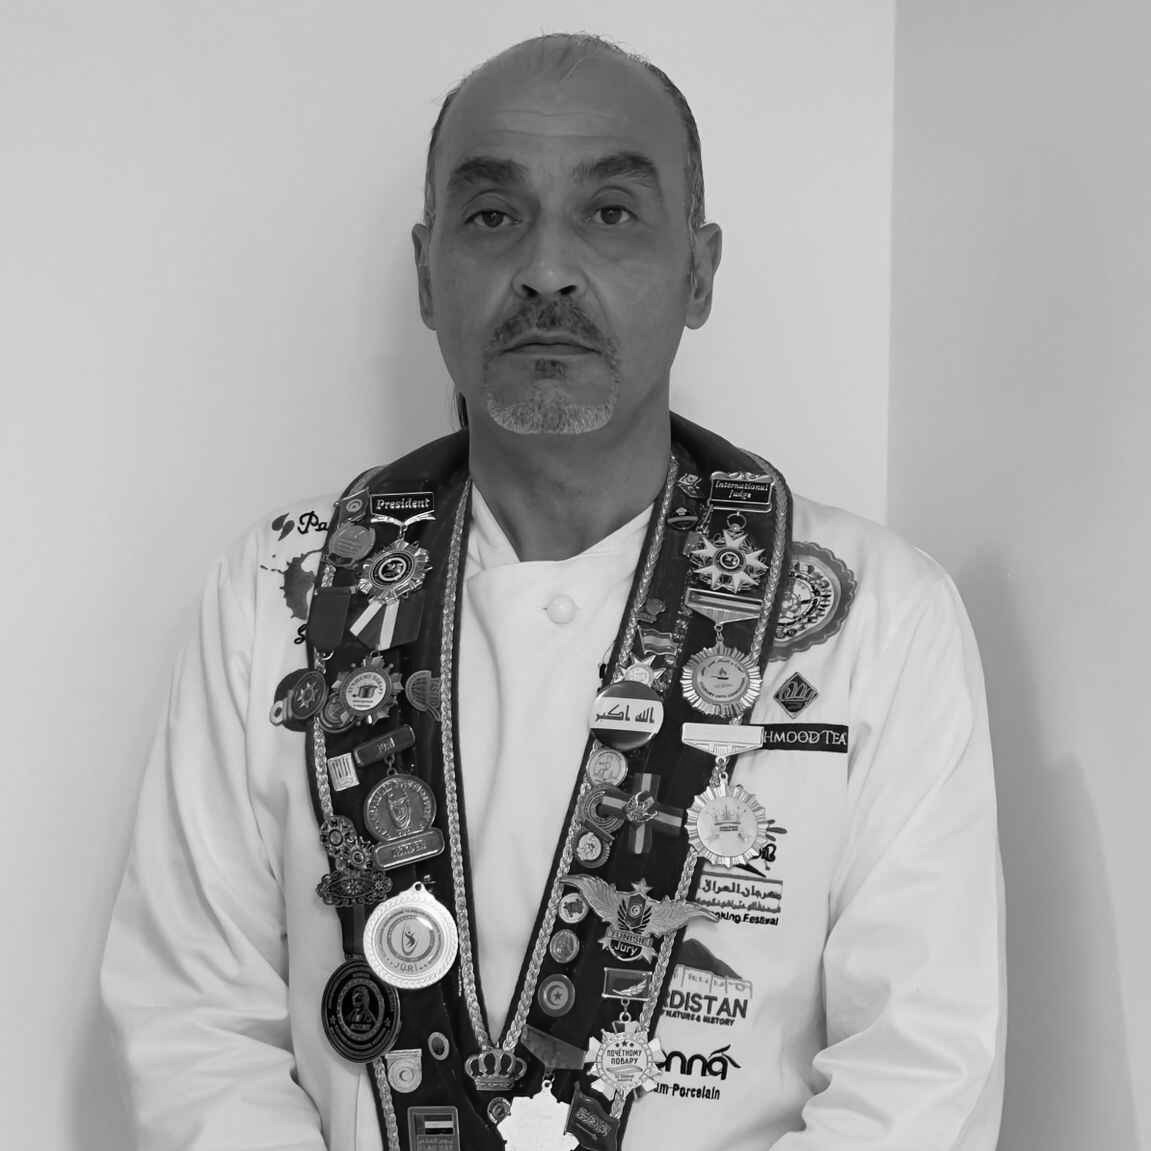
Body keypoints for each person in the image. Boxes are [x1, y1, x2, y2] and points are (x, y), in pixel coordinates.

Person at [101, 32, 1005, 1151]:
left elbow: (919, 1068)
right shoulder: (278, 595)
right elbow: (192, 1023)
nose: (544, 268)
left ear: (700, 271)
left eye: (610, 212)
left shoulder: (877, 614)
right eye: (492, 215)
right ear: (425, 272)